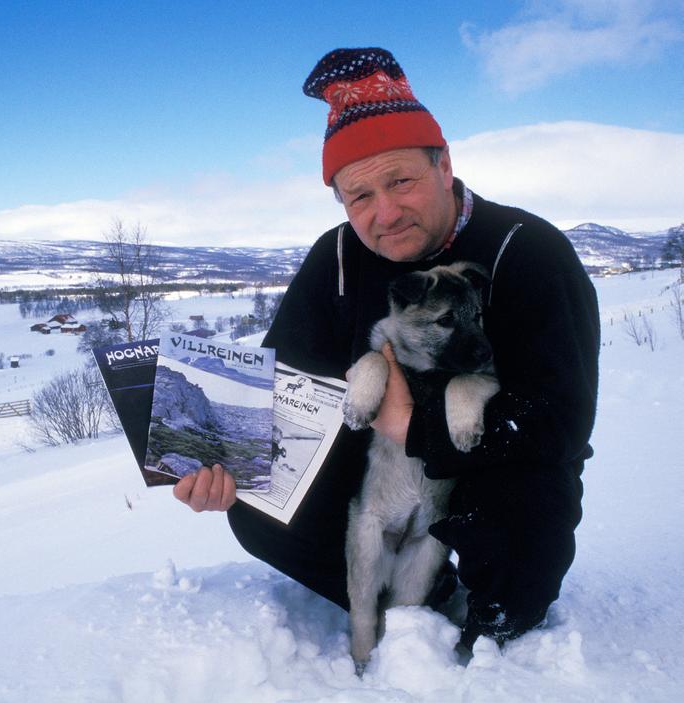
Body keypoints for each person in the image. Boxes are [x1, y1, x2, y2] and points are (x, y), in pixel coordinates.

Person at [173, 47, 600, 653]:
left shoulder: (529, 254)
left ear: (444, 164)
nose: (386, 213)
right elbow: (283, 382)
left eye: (401, 181)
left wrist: (416, 425)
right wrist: (215, 459)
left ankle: (482, 606)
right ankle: (412, 604)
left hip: (499, 470)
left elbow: (561, 426)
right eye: (360, 196)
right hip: (372, 473)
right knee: (259, 507)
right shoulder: (338, 257)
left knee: (506, 608)